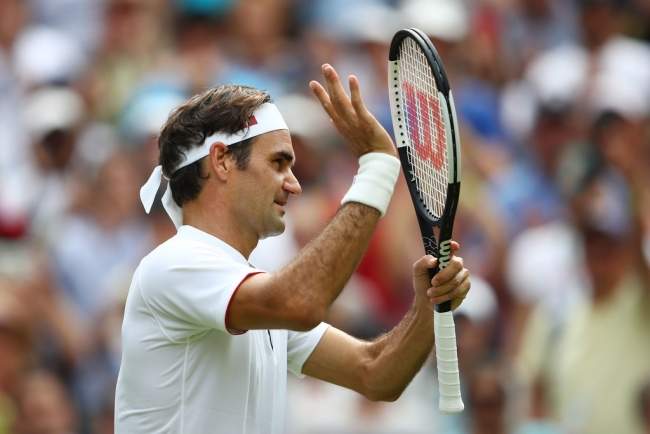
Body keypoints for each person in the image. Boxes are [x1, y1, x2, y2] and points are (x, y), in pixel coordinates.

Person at [114, 64, 471, 433]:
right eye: (278, 163)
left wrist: (428, 304)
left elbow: (375, 373)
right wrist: (377, 168)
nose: (294, 185)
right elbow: (300, 303)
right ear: (221, 161)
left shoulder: (254, 295)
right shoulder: (175, 263)